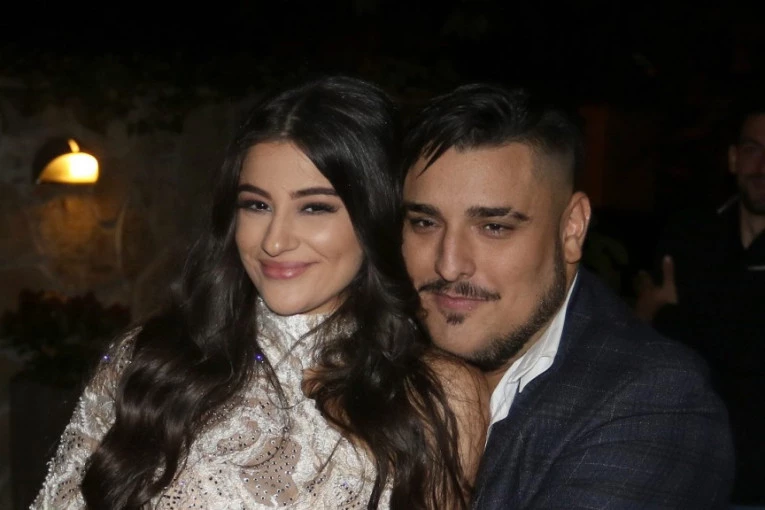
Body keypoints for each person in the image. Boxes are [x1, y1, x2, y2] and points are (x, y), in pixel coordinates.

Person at [32, 76, 488, 509]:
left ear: (374, 215)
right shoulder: (151, 361)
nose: (274, 240)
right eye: (257, 205)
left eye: (314, 208)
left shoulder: (438, 395)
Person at [399, 83, 734, 509]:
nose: (449, 265)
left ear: (572, 228)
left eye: (494, 227)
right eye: (425, 223)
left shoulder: (655, 403)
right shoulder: (369, 354)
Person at [635, 94, 765, 505]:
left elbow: (743, 353)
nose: (762, 166)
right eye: (752, 149)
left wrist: (675, 320)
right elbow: (646, 343)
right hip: (687, 475)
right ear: (733, 159)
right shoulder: (692, 235)